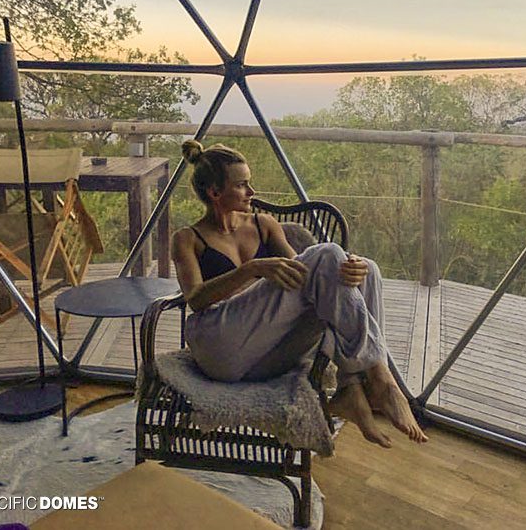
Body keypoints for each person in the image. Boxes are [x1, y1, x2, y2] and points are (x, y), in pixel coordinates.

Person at [171, 140, 428, 447]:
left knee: (365, 268)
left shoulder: (263, 224)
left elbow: (305, 279)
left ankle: (353, 389)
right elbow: (196, 299)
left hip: (265, 355)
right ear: (215, 192)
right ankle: (381, 380)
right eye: (242, 185)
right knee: (330, 253)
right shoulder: (187, 238)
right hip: (219, 347)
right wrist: (251, 269)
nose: (252, 192)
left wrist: (352, 270)